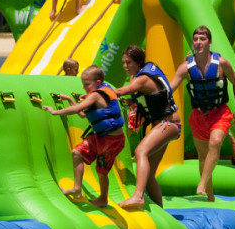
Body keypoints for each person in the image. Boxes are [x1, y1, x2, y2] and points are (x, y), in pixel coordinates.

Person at [169, 26, 235, 201]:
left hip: (220, 113)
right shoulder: (186, 67)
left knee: (215, 142)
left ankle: (201, 184)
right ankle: (210, 197)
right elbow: (169, 89)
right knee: (203, 158)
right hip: (198, 116)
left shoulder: (222, 64)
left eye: (202, 39)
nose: (198, 42)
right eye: (195, 39)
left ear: (209, 42)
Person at [43, 66, 125, 207]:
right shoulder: (97, 94)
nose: (84, 87)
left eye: (87, 84)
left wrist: (55, 112)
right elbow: (82, 114)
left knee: (101, 170)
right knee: (77, 153)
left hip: (112, 140)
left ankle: (103, 199)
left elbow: (77, 110)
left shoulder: (96, 95)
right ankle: (77, 189)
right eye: (83, 84)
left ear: (98, 82)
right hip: (100, 137)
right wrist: (70, 99)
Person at [113, 46, 181, 208]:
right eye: (123, 63)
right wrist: (132, 102)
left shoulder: (142, 78)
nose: (125, 66)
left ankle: (138, 196)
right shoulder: (137, 78)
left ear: (138, 62)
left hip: (168, 123)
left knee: (140, 151)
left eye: (128, 62)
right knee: (149, 175)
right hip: (163, 125)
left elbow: (121, 91)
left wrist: (97, 93)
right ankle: (162, 214)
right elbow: (147, 98)